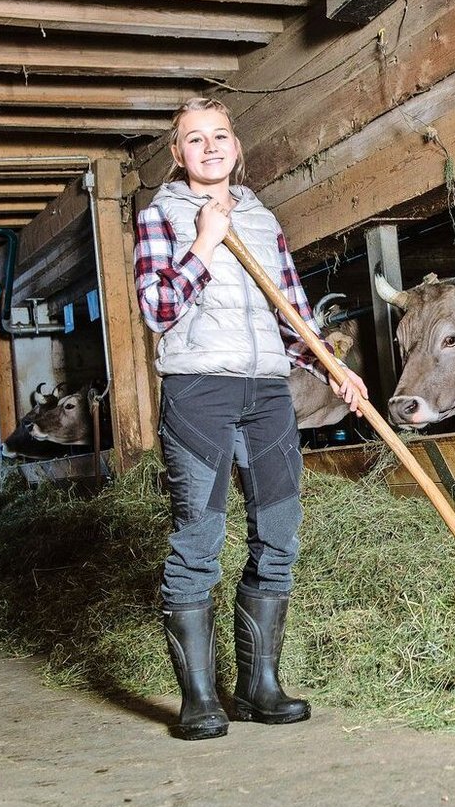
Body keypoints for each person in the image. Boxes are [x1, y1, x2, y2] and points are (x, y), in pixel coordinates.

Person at [134, 97, 367, 741]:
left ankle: (260, 687)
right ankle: (199, 700)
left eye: (221, 135)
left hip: (267, 392)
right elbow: (156, 309)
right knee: (199, 540)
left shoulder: (263, 221)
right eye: (194, 139)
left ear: (236, 148)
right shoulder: (161, 217)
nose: (210, 147)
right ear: (177, 155)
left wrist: (334, 370)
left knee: (280, 532)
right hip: (199, 391)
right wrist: (205, 245)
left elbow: (292, 317)